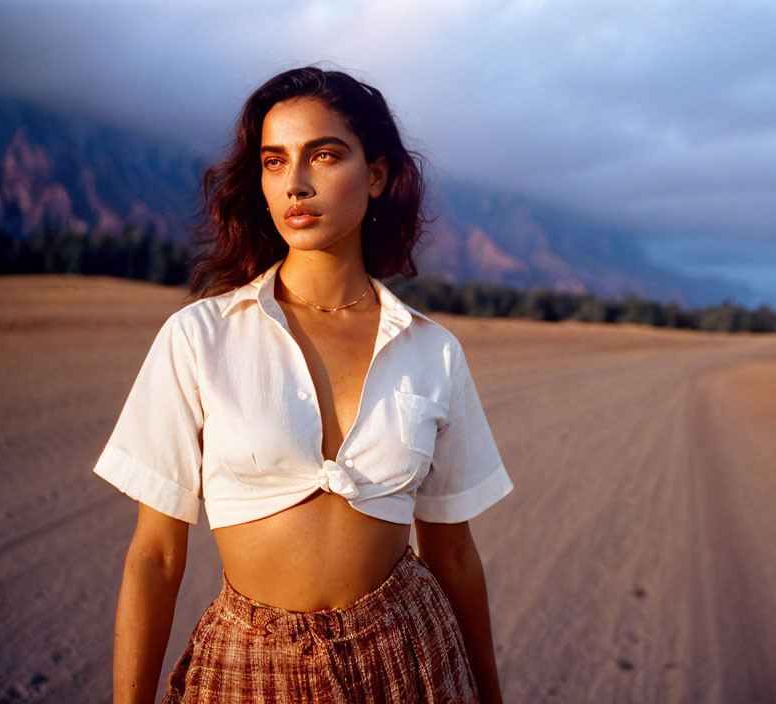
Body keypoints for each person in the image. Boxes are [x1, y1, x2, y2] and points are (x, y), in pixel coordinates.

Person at [93, 66, 514, 703]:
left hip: (410, 656)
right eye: (273, 160)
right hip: (247, 666)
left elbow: (452, 553)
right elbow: (155, 556)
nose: (295, 183)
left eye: (323, 155)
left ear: (375, 175)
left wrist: (490, 695)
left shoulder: (433, 351)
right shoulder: (199, 337)